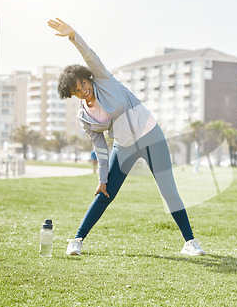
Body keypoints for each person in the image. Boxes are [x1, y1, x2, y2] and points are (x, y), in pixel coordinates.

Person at [47, 18, 205, 257]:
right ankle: (77, 239)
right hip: (124, 146)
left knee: (169, 191)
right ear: (72, 94)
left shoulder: (104, 79)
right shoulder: (84, 116)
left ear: (88, 78)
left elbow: (89, 55)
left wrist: (73, 36)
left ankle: (190, 242)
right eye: (76, 90)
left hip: (151, 135)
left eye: (83, 83)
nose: (83, 90)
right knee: (105, 193)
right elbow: (100, 147)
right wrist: (102, 178)